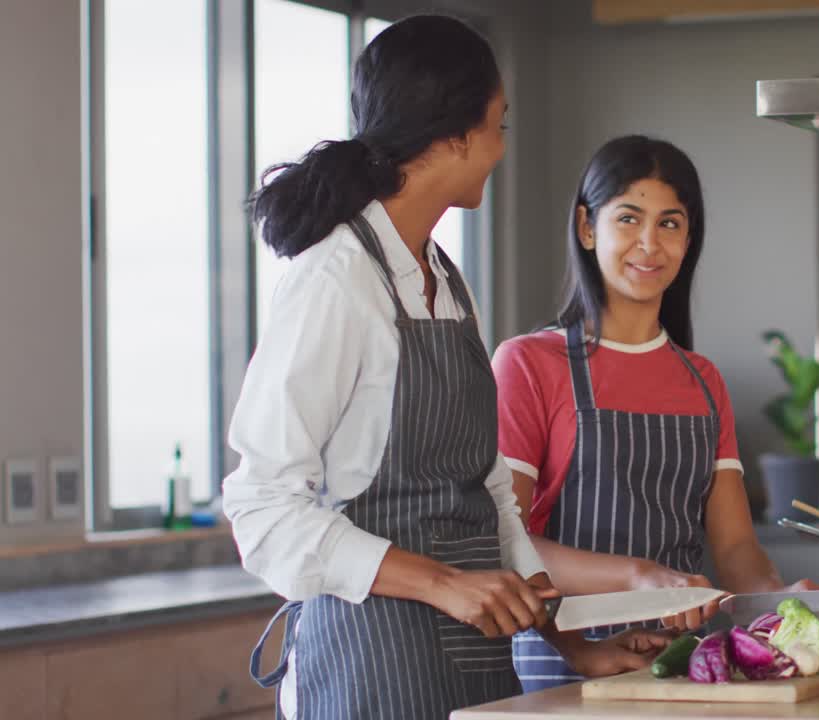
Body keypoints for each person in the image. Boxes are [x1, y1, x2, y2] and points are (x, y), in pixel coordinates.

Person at [222, 17, 659, 719]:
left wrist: (567, 641)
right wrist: (440, 583)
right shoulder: (336, 279)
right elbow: (263, 509)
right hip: (369, 665)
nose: (499, 150)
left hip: (474, 665)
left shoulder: (445, 282)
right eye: (498, 126)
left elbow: (486, 495)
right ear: (457, 135)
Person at [493, 135, 816, 692]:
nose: (649, 243)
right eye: (629, 218)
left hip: (680, 669)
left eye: (670, 223)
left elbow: (736, 547)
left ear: (690, 239)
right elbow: (506, 538)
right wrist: (636, 576)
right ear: (588, 227)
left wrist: (781, 602)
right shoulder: (530, 364)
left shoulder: (702, 381)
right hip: (564, 666)